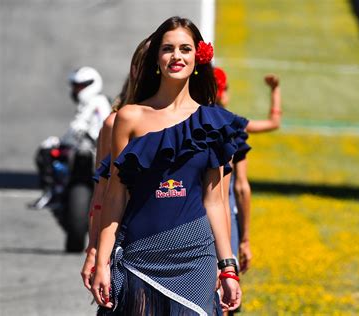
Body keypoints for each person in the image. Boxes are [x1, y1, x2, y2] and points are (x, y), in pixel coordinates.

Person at [92, 16, 244, 315]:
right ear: (157, 59)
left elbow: (215, 203)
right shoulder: (129, 118)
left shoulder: (214, 123)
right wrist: (101, 262)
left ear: (197, 57)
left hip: (196, 261)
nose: (177, 56)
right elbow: (115, 196)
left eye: (185, 49)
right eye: (168, 49)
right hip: (139, 256)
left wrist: (227, 268)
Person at [81, 38, 150, 291]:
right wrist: (94, 250)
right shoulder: (114, 124)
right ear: (135, 71)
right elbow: (103, 194)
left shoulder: (195, 119)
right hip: (127, 243)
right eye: (148, 65)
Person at [213, 67, 282, 276]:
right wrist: (245, 240)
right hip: (226, 219)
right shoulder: (235, 127)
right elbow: (241, 187)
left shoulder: (184, 122)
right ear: (224, 93)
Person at [32, 66, 111, 209]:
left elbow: (85, 126)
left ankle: (52, 193)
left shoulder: (98, 102)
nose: (76, 90)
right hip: (85, 145)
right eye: (75, 86)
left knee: (46, 149)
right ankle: (56, 190)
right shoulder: (91, 102)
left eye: (80, 86)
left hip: (93, 147)